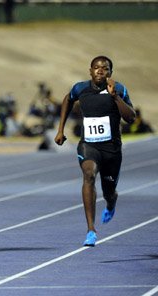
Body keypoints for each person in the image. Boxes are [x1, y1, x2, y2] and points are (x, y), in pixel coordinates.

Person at [54, 56, 135, 247]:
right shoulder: (80, 88)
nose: (100, 71)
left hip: (112, 149)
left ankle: (111, 201)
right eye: (96, 68)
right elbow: (67, 99)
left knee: (109, 191)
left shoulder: (119, 89)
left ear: (110, 73)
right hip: (88, 145)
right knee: (88, 175)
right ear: (90, 71)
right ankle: (91, 230)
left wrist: (115, 96)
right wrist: (60, 129)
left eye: (105, 68)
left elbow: (131, 117)